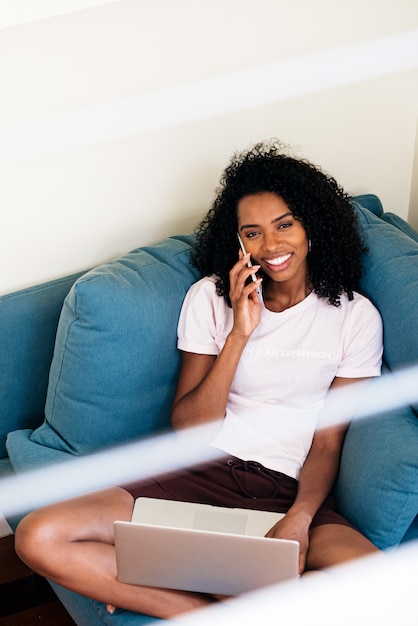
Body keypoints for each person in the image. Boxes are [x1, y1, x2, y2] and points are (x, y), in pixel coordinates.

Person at [15, 140, 383, 620]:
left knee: (381, 581)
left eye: (285, 225)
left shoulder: (355, 317)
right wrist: (239, 333)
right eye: (252, 233)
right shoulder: (209, 298)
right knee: (38, 536)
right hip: (196, 475)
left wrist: (300, 518)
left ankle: (179, 580)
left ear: (313, 225)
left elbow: (327, 442)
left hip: (287, 492)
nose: (271, 246)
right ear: (237, 243)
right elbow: (191, 427)